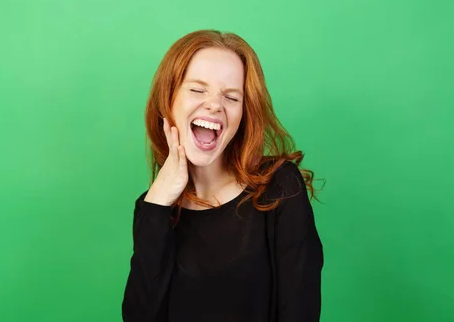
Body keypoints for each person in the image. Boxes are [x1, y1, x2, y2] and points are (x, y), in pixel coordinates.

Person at [122, 29, 324, 322]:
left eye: (231, 97)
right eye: (197, 89)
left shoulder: (279, 186)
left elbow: (300, 311)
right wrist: (156, 205)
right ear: (168, 100)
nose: (215, 105)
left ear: (244, 113)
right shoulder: (153, 208)